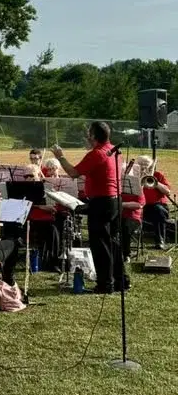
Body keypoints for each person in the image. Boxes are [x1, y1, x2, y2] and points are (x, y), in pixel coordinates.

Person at [53, 122, 118, 294]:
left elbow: (73, 173)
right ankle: (120, 280)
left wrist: (60, 156)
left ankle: (105, 284)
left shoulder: (96, 154)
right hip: (113, 201)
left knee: (100, 245)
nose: (87, 136)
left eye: (89, 133)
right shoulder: (111, 149)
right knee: (111, 243)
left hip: (102, 202)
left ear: (94, 136)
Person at [137, 155, 171, 250]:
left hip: (157, 206)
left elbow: (167, 192)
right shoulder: (134, 176)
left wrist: (155, 181)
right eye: (141, 164)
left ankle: (160, 240)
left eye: (146, 164)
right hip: (140, 206)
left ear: (151, 165)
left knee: (158, 210)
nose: (143, 167)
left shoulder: (158, 175)